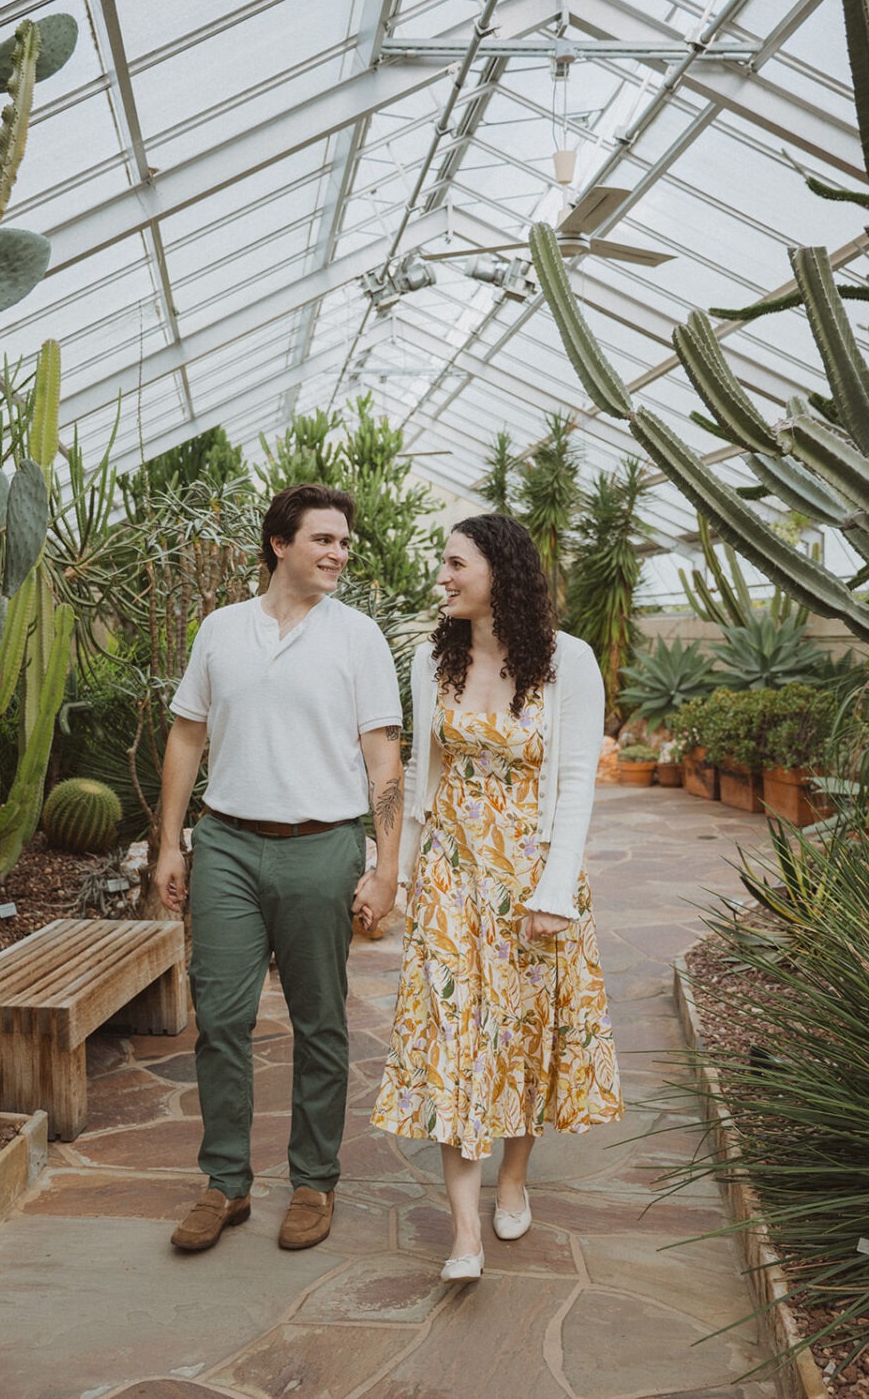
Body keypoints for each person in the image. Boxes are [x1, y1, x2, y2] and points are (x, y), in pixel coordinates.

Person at [371, 513, 622, 1282]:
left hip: (533, 876)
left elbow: (575, 780)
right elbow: (422, 778)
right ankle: (464, 1237)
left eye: (455, 564)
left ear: (499, 572)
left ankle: (514, 1175)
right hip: (452, 872)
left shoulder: (567, 661)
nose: (442, 577)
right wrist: (403, 877)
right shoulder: (430, 660)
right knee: (453, 1032)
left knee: (523, 1033)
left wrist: (555, 892)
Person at [156, 482, 403, 1256]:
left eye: (343, 544)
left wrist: (386, 867)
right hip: (226, 841)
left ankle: (312, 1181)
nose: (337, 554)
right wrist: (170, 842)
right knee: (221, 1018)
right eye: (323, 540)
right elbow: (187, 737)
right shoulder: (221, 630)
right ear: (279, 544)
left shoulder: (357, 637)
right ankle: (225, 1184)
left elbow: (383, 759)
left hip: (321, 845)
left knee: (319, 1022)